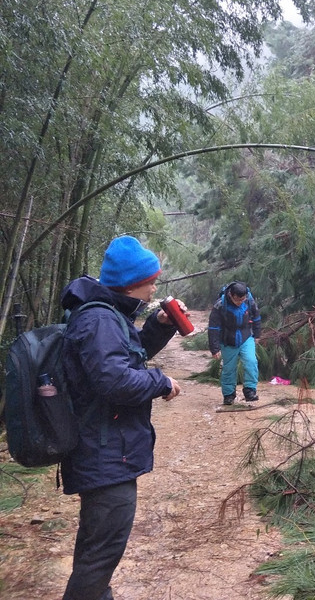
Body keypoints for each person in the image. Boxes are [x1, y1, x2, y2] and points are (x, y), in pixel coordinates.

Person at [59, 235, 184, 600]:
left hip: (108, 450)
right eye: (151, 282)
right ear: (132, 284)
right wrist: (161, 381)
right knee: (100, 555)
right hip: (103, 453)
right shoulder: (99, 319)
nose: (155, 287)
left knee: (98, 550)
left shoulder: (108, 314)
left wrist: (161, 323)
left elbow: (128, 355)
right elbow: (114, 380)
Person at [207, 281, 261, 405]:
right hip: (227, 340)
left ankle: (250, 391)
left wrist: (257, 335)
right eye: (237, 300)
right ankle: (229, 395)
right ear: (231, 295)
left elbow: (257, 317)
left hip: (246, 336)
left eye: (242, 300)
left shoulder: (249, 301)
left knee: (251, 361)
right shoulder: (220, 305)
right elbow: (213, 327)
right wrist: (214, 349)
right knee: (229, 368)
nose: (240, 302)